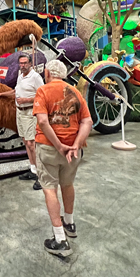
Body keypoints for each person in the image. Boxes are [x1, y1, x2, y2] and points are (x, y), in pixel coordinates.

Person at [33, 59, 93, 257]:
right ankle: (69, 222)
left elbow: (42, 120)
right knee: (67, 185)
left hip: (49, 149)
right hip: (73, 153)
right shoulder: (75, 92)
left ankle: (59, 239)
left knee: (49, 188)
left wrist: (59, 145)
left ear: (48, 73)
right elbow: (87, 120)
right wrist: (76, 144)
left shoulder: (43, 91)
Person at [0, 53, 44, 189]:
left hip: (29, 112)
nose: (23, 65)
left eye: (25, 63)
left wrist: (26, 100)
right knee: (26, 142)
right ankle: (33, 170)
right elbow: (16, 91)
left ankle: (42, 176)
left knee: (32, 144)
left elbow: (42, 95)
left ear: (30, 63)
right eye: (21, 63)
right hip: (20, 112)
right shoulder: (20, 76)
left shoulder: (35, 77)